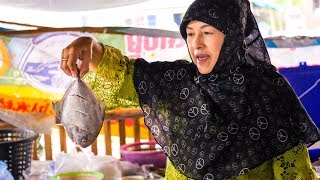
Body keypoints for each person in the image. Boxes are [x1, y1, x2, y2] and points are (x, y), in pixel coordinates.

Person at [60, 0, 320, 179]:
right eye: (190, 33)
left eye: (207, 32)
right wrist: (90, 47)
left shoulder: (269, 91)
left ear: (232, 36)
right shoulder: (177, 82)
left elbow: (295, 172)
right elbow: (125, 74)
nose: (196, 44)